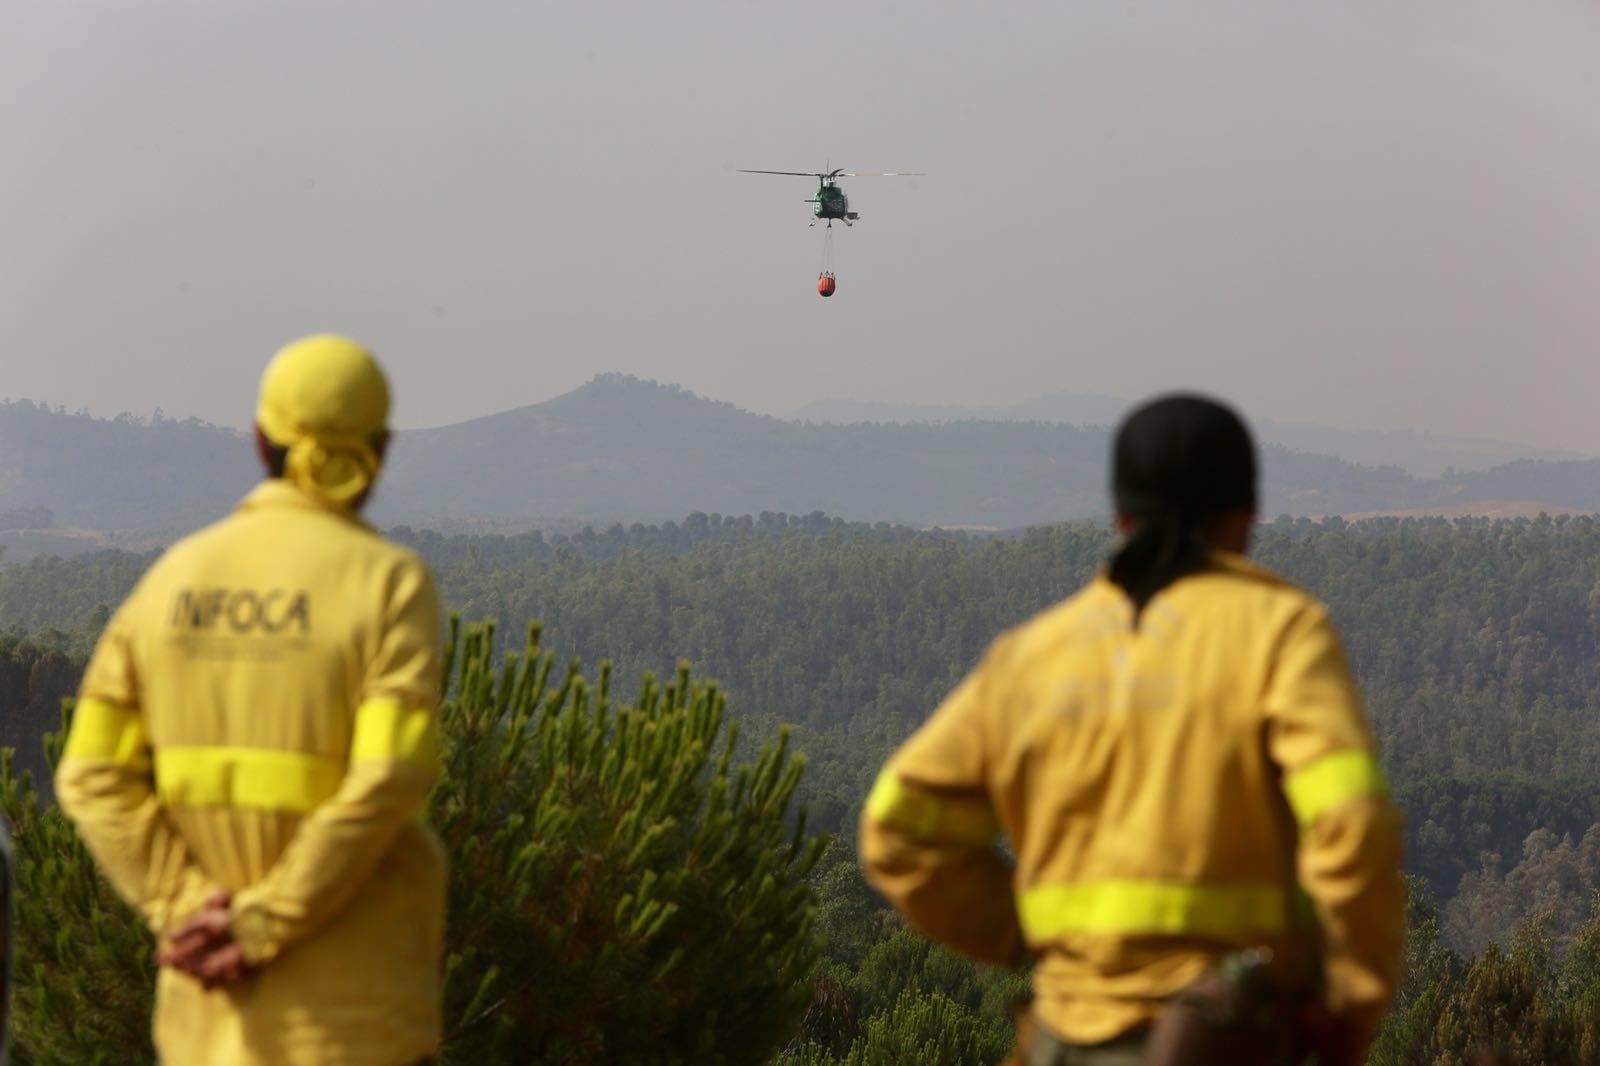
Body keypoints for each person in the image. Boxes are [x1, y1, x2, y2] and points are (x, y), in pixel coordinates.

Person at [858, 395, 1404, 1066]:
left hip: (1062, 1039)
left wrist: (1029, 935)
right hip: (1230, 1038)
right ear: (1245, 516)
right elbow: (1353, 821)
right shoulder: (1281, 632)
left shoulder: (1032, 654)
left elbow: (898, 830)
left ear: (1120, 516)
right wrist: (1351, 1000)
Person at [56, 335, 446, 1066]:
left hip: (206, 1020)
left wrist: (188, 911)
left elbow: (90, 776)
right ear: (381, 450)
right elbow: (389, 777)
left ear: (258, 438)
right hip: (356, 1025)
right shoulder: (389, 585)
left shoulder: (170, 581)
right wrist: (258, 924)